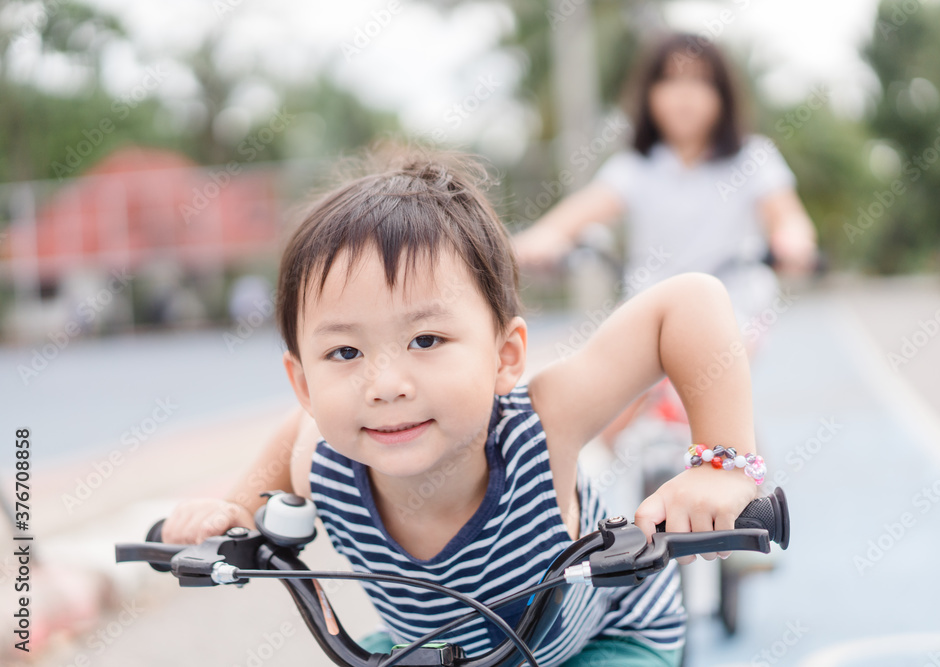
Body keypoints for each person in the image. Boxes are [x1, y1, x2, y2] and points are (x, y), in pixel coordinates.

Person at [161, 143, 764, 667]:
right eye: (344, 352)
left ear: (505, 357)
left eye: (426, 340)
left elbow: (690, 303)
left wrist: (722, 464)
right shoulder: (323, 458)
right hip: (441, 647)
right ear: (304, 385)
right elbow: (294, 437)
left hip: (605, 642)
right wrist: (235, 507)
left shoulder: (540, 427)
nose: (384, 384)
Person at [512, 31, 818, 454]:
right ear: (650, 94)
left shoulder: (753, 159)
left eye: (700, 81)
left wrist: (792, 242)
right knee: (603, 420)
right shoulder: (636, 168)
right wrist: (535, 242)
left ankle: (748, 503)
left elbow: (789, 218)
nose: (684, 95)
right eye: (670, 80)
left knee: (722, 421)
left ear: (722, 95)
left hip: (735, 306)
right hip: (649, 305)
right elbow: (571, 218)